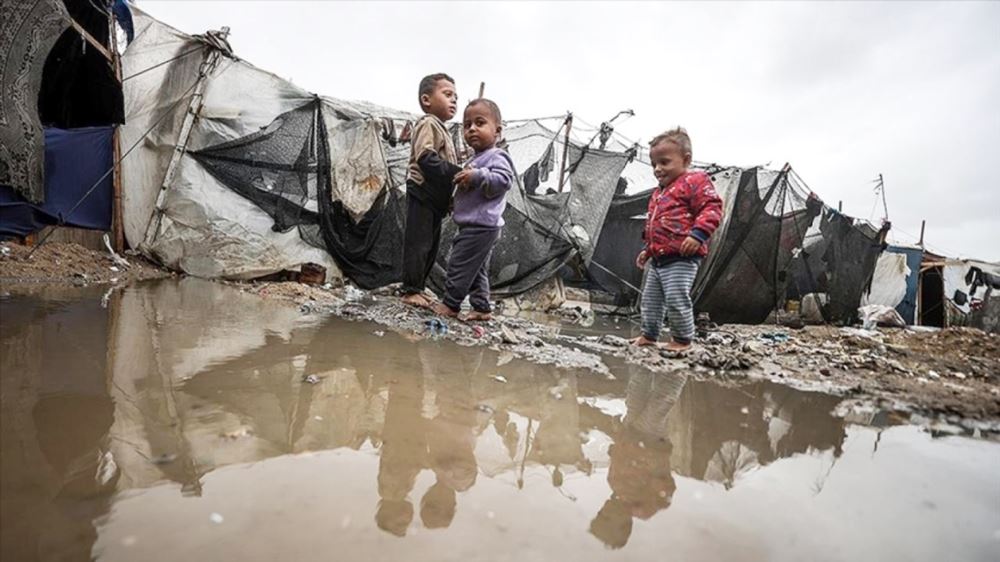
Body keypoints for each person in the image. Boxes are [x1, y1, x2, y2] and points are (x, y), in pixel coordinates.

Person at [633, 127, 723, 350]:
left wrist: (698, 235)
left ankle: (682, 340)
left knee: (676, 297)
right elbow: (654, 226)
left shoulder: (695, 181)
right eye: (654, 164)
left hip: (682, 257)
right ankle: (649, 336)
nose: (658, 169)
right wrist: (647, 250)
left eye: (664, 162)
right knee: (650, 300)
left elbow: (711, 208)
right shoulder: (658, 193)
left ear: (686, 160)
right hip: (658, 259)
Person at [430, 98, 514, 321]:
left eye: (480, 123)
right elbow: (470, 191)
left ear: (497, 131)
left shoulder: (497, 156)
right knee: (477, 269)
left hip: (481, 226)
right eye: (467, 125)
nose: (472, 129)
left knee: (458, 263)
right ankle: (481, 308)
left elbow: (504, 181)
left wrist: (477, 176)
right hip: (476, 225)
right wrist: (455, 201)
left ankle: (451, 304)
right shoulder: (473, 159)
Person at [402, 73, 461, 309]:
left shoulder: (445, 130)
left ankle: (419, 287)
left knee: (431, 246)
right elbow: (426, 158)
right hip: (422, 192)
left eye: (456, 97)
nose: (454, 100)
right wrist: (458, 172)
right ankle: (410, 289)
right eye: (448, 94)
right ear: (426, 100)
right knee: (419, 243)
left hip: (436, 199)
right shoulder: (428, 123)